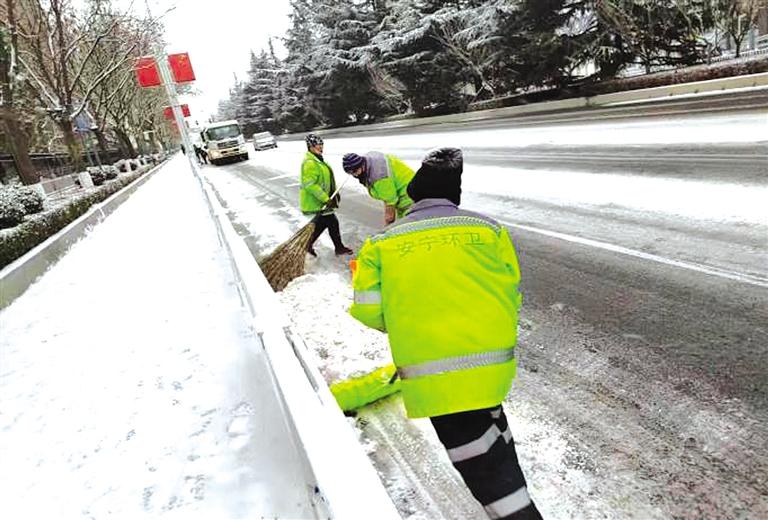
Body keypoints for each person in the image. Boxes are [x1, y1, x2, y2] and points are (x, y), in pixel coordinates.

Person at [349, 147, 542, 519]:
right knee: (496, 448)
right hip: (492, 367)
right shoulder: (489, 230)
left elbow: (368, 310)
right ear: (455, 197)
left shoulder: (380, 245)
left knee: (489, 476)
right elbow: (511, 292)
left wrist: (413, 319)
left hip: (436, 378)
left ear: (414, 195)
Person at [300, 133, 353, 257]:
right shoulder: (310, 163)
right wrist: (325, 198)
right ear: (310, 147)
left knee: (327, 223)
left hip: (323, 200)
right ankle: (335, 247)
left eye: (321, 144)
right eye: (318, 145)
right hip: (316, 201)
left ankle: (310, 244)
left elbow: (326, 180)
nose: (321, 147)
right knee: (330, 222)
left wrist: (334, 194)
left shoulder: (318, 159)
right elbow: (310, 185)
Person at [341, 151, 415, 225]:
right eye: (350, 173)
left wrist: (387, 227)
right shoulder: (369, 161)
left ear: (361, 165)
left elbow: (390, 202)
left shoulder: (378, 176)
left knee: (410, 227)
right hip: (409, 186)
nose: (355, 175)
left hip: (409, 197)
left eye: (355, 171)